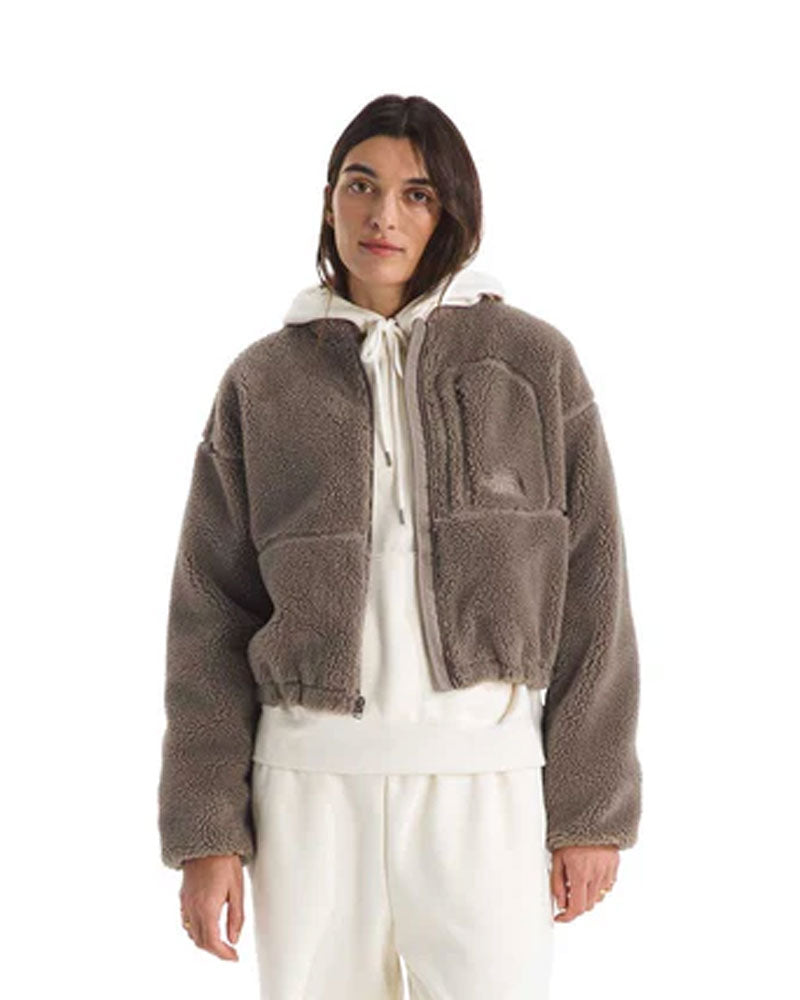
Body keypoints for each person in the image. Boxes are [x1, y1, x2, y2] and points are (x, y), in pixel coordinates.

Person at [157, 93, 642, 1000]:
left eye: (416, 194)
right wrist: (208, 832)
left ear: (450, 211)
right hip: (309, 791)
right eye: (361, 185)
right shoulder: (263, 381)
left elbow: (593, 589)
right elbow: (210, 614)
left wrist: (589, 807)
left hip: (485, 788)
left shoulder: (532, 363)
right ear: (328, 201)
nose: (383, 214)